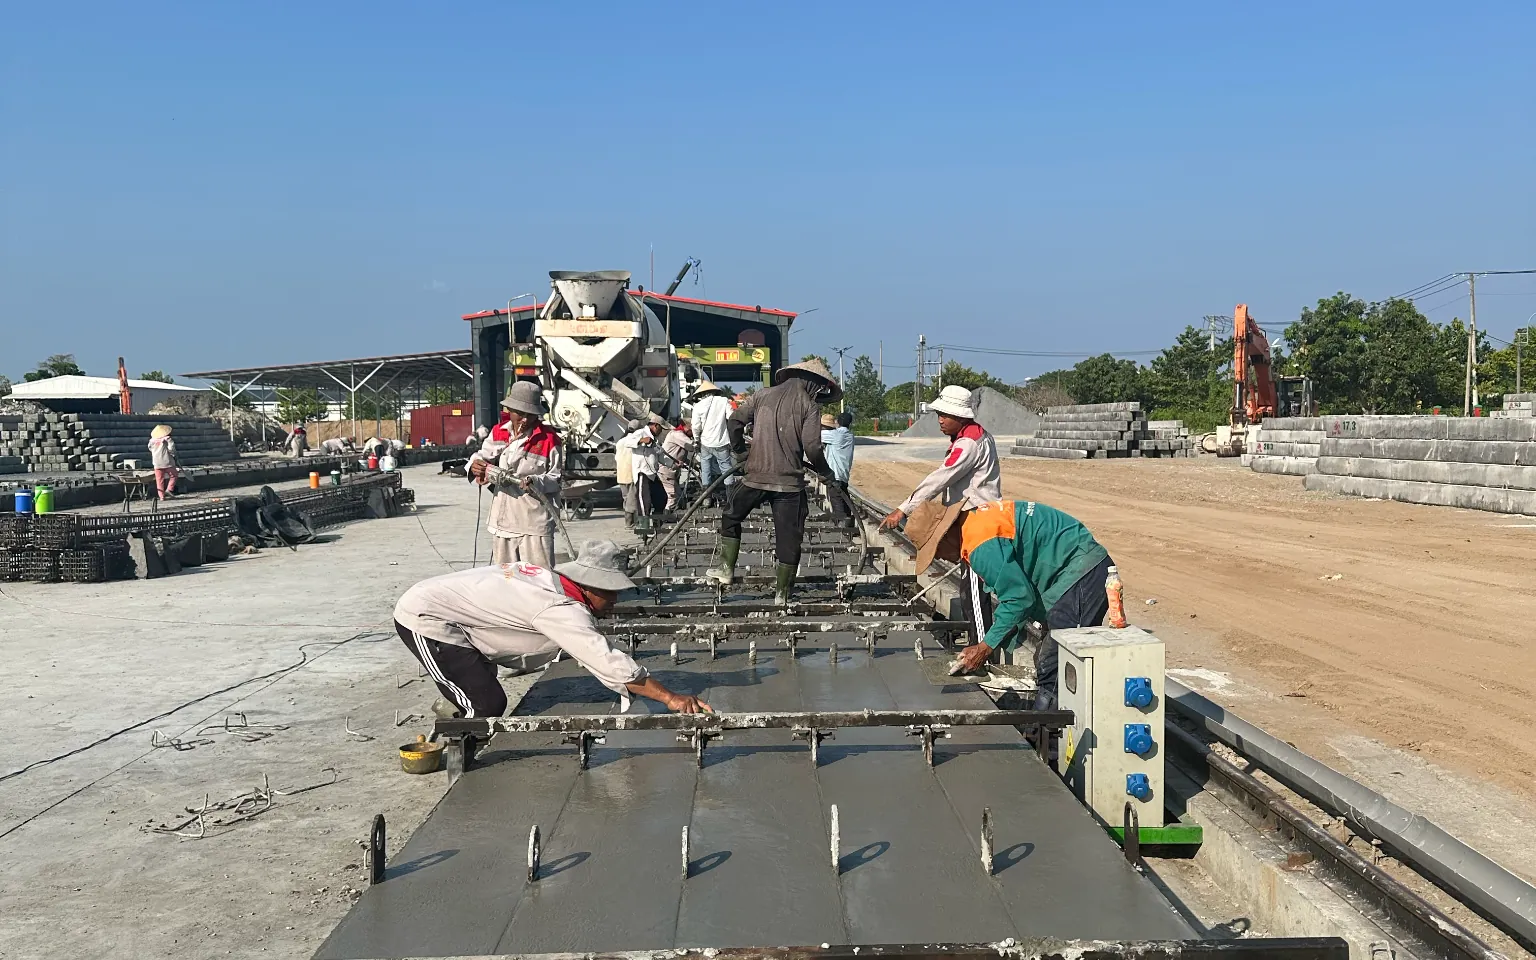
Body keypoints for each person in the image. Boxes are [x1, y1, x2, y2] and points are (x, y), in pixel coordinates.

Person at [393, 539, 712, 718]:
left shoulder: (551, 582)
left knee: (479, 685)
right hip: (428, 617)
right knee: (487, 704)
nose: (615, 600)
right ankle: (460, 757)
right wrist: (671, 698)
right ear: (592, 586)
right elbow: (607, 662)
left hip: (459, 614)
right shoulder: (560, 608)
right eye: (612, 592)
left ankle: (453, 700)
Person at [906, 498, 1116, 708]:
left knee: (1055, 663)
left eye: (936, 551)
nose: (942, 558)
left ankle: (1051, 728)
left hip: (1083, 571)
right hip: (1072, 569)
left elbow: (1019, 599)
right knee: (1048, 658)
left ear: (945, 536)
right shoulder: (976, 523)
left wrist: (985, 647)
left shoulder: (981, 545)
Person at [705, 358, 840, 604]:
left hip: (755, 476)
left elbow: (734, 421)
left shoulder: (761, 395)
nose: (819, 392)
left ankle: (726, 569)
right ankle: (782, 595)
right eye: (819, 388)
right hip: (789, 485)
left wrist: (741, 452)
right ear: (813, 382)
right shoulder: (809, 406)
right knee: (789, 538)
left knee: (730, 515)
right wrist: (826, 472)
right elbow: (812, 446)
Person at [878, 385, 1001, 641]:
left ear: (961, 416)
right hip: (979, 517)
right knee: (970, 587)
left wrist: (903, 509)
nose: (940, 420)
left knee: (975, 592)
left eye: (945, 415)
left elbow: (939, 479)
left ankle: (981, 648)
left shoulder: (968, 444)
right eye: (939, 414)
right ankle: (979, 640)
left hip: (980, 520)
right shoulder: (975, 436)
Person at [468, 381, 562, 566]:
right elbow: (481, 455)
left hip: (534, 523)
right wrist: (474, 464)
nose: (525, 419)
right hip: (503, 522)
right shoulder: (497, 433)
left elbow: (555, 479)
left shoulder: (549, 439)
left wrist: (536, 481)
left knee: (539, 580)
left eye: (530, 415)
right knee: (506, 580)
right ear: (509, 411)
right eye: (520, 413)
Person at [689, 381, 736, 499]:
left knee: (706, 469)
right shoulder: (724, 401)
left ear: (702, 394)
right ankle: (730, 498)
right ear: (714, 391)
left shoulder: (698, 406)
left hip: (705, 443)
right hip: (722, 442)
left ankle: (706, 499)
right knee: (726, 469)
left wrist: (696, 440)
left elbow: (695, 426)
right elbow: (731, 418)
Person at [616, 415, 667, 520]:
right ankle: (644, 526)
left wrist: (674, 464)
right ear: (655, 426)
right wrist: (641, 440)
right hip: (642, 473)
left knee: (661, 498)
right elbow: (627, 442)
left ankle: (657, 521)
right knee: (644, 501)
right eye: (661, 429)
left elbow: (660, 456)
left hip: (652, 473)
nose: (661, 432)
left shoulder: (655, 440)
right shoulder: (640, 433)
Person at [820, 411, 856, 527]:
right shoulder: (850, 436)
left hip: (834, 473)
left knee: (836, 498)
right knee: (844, 496)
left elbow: (816, 435)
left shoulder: (835, 435)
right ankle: (849, 520)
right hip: (844, 473)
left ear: (837, 422)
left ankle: (842, 522)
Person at [658, 420, 694, 512]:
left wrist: (694, 465)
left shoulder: (679, 435)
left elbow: (680, 455)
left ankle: (672, 513)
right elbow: (691, 446)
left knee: (678, 496)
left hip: (672, 469)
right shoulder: (677, 434)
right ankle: (667, 514)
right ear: (688, 428)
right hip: (666, 469)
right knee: (673, 496)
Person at [613, 418, 643, 528]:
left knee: (626, 498)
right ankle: (630, 523)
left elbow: (616, 458)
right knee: (633, 499)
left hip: (621, 474)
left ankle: (629, 522)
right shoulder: (635, 442)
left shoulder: (620, 441)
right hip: (632, 473)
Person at [148, 424, 179, 500]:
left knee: (159, 480)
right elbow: (171, 449)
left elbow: (150, 448)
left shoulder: (152, 441)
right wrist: (174, 455)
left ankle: (161, 496)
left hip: (156, 462)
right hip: (167, 461)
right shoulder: (168, 439)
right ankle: (169, 489)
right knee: (174, 475)